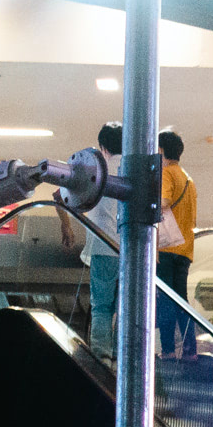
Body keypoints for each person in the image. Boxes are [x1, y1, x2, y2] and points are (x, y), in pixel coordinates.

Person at [77, 122, 122, 354]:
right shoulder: (131, 170)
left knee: (102, 307)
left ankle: (102, 357)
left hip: (101, 245)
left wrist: (67, 226)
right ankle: (123, 358)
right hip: (127, 250)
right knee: (124, 307)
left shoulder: (97, 168)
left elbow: (65, 196)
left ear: (102, 145)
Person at [156, 128, 199, 359]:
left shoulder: (167, 174)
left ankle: (168, 350)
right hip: (185, 249)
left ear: (161, 150)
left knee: (166, 300)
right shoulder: (188, 179)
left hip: (167, 247)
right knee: (181, 299)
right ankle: (190, 349)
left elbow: (163, 202)